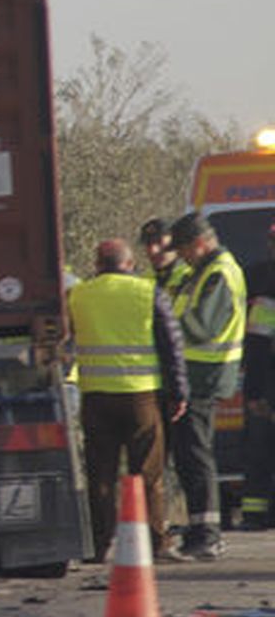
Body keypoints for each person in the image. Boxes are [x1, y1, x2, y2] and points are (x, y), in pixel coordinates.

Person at [66, 238, 187, 562]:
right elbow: (172, 346)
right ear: (130, 264)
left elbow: (65, 339)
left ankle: (98, 545)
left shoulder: (78, 295)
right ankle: (156, 543)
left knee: (100, 475)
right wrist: (179, 393)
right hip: (141, 396)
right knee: (148, 473)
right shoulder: (149, 292)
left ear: (96, 265)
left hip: (96, 397)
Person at [168, 211, 248, 559]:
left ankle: (207, 534)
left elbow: (201, 326)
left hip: (204, 375)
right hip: (196, 375)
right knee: (189, 454)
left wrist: (162, 326)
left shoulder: (218, 274)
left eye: (183, 249)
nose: (180, 256)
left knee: (196, 454)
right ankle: (200, 529)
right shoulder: (203, 272)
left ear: (199, 244)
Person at [240, 220, 275, 530]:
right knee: (259, 450)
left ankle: (255, 515)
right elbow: (258, 344)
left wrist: (253, 393)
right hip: (268, 383)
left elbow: (258, 344)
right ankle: (255, 513)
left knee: (259, 450)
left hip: (267, 384)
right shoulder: (261, 282)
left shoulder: (262, 284)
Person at [139, 217, 192, 298]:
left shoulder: (191, 276)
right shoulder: (144, 280)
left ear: (175, 240)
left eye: (159, 241)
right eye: (148, 244)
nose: (153, 250)